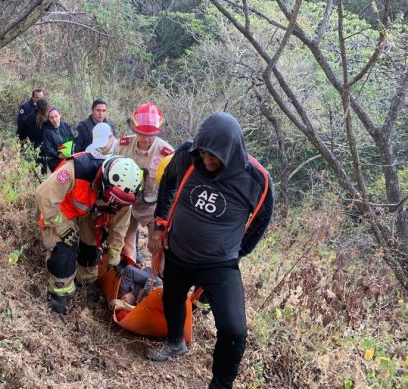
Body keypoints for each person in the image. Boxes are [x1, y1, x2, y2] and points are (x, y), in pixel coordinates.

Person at [145, 112, 274, 389]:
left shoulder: (256, 179)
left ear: (232, 151)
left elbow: (261, 221)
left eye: (214, 156)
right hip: (178, 250)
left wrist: (237, 252)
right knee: (173, 298)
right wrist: (159, 226)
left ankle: (220, 385)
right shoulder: (187, 156)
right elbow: (168, 182)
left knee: (234, 330)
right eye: (203, 153)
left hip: (219, 264)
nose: (206, 161)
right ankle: (175, 343)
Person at [35, 153, 143, 314]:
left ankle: (85, 280)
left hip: (89, 212)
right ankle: (59, 293)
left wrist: (115, 250)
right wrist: (61, 226)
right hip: (60, 210)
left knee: (91, 247)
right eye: (112, 199)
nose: (115, 204)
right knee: (66, 248)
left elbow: (120, 225)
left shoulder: (125, 194)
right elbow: (43, 195)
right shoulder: (78, 169)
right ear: (105, 180)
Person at [115, 103, 174, 262]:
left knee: (157, 246)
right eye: (141, 134)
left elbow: (171, 191)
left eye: (151, 135)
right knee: (125, 240)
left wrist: (163, 222)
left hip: (152, 205)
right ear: (134, 129)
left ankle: (155, 281)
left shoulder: (166, 154)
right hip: (126, 202)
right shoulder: (122, 146)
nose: (146, 139)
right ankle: (128, 272)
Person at [19, 98, 49, 173]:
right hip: (45, 149)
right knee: (43, 171)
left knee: (30, 171)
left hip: (31, 147)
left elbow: (21, 134)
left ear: (36, 106)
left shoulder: (28, 118)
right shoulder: (49, 119)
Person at [42, 108, 75, 172]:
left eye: (56, 116)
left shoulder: (66, 126)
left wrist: (71, 150)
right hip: (56, 161)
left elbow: (73, 139)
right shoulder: (47, 131)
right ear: (49, 119)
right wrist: (58, 155)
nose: (54, 119)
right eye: (51, 118)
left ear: (60, 115)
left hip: (69, 158)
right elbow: (48, 148)